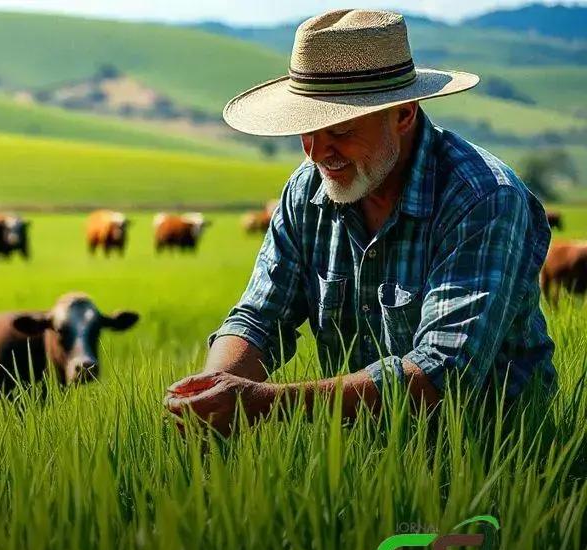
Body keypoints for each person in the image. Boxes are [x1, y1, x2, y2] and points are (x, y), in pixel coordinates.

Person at [164, 9, 556, 435]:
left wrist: (265, 404)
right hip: (357, 448)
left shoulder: (482, 198)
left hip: (491, 450)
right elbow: (259, 317)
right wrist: (213, 390)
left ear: (403, 114)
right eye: (306, 132)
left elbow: (446, 372)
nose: (317, 153)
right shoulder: (306, 191)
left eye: (341, 130)